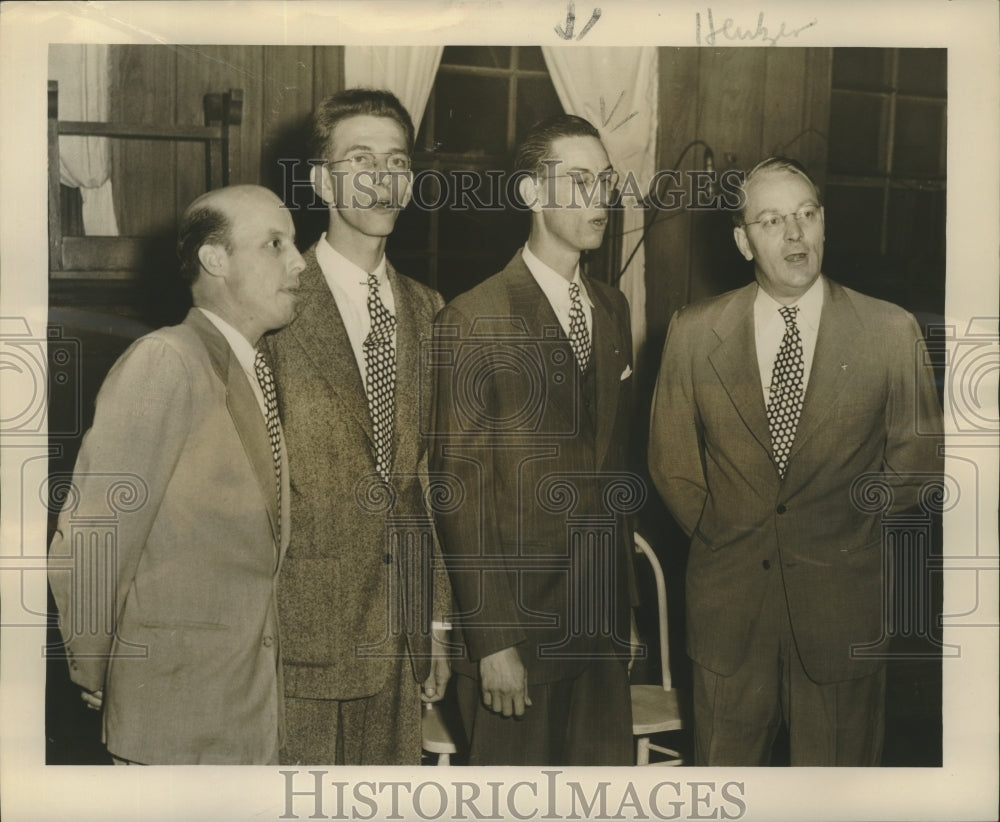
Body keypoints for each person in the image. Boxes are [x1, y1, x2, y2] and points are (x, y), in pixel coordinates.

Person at [648, 156, 943, 766]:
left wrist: (845, 535)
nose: (793, 235)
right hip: (729, 616)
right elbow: (672, 463)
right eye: (771, 220)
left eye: (806, 215)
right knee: (723, 793)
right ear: (741, 239)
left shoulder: (889, 332)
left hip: (844, 611)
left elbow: (917, 465)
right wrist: (726, 534)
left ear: (824, 224)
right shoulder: (694, 332)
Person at [47, 185, 305, 764]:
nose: (299, 261)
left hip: (239, 712)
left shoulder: (247, 365)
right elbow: (96, 531)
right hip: (172, 719)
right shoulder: (166, 360)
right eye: (274, 243)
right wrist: (94, 665)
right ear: (216, 260)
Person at [430, 114, 639, 766]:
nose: (598, 199)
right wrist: (492, 642)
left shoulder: (612, 309)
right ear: (529, 193)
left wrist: (622, 608)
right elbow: (456, 490)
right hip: (514, 636)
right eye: (578, 181)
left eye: (604, 181)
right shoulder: (474, 316)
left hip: (597, 633)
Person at [261, 88, 451, 766]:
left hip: (399, 638)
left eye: (396, 161)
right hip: (297, 633)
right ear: (320, 180)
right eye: (360, 159)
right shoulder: (276, 303)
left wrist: (435, 618)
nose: (381, 179)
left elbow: (430, 479)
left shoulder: (431, 310)